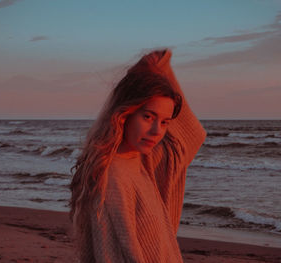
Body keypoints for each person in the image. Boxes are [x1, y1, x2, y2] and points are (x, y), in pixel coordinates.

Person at [70, 49, 206, 262]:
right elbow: (111, 254)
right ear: (124, 114)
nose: (156, 131)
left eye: (164, 122)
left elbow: (192, 137)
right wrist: (152, 72)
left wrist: (159, 70)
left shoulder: (144, 159)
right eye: (148, 116)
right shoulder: (111, 179)